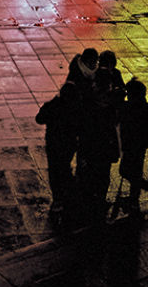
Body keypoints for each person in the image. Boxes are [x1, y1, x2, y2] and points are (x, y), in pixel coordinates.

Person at [76, 67, 121, 221]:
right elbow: (114, 122)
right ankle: (99, 199)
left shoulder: (88, 97)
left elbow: (83, 121)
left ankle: (89, 199)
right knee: (103, 173)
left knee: (89, 171)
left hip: (90, 142)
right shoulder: (112, 101)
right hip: (104, 144)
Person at [36, 81, 83, 222]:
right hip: (68, 145)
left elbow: (39, 119)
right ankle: (68, 196)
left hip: (53, 144)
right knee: (64, 168)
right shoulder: (76, 108)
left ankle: (58, 199)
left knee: (55, 172)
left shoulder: (53, 106)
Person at [115, 79, 148, 215]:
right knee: (135, 171)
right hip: (140, 144)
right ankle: (135, 198)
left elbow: (119, 110)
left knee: (126, 171)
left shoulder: (127, 108)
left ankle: (142, 192)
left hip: (130, 144)